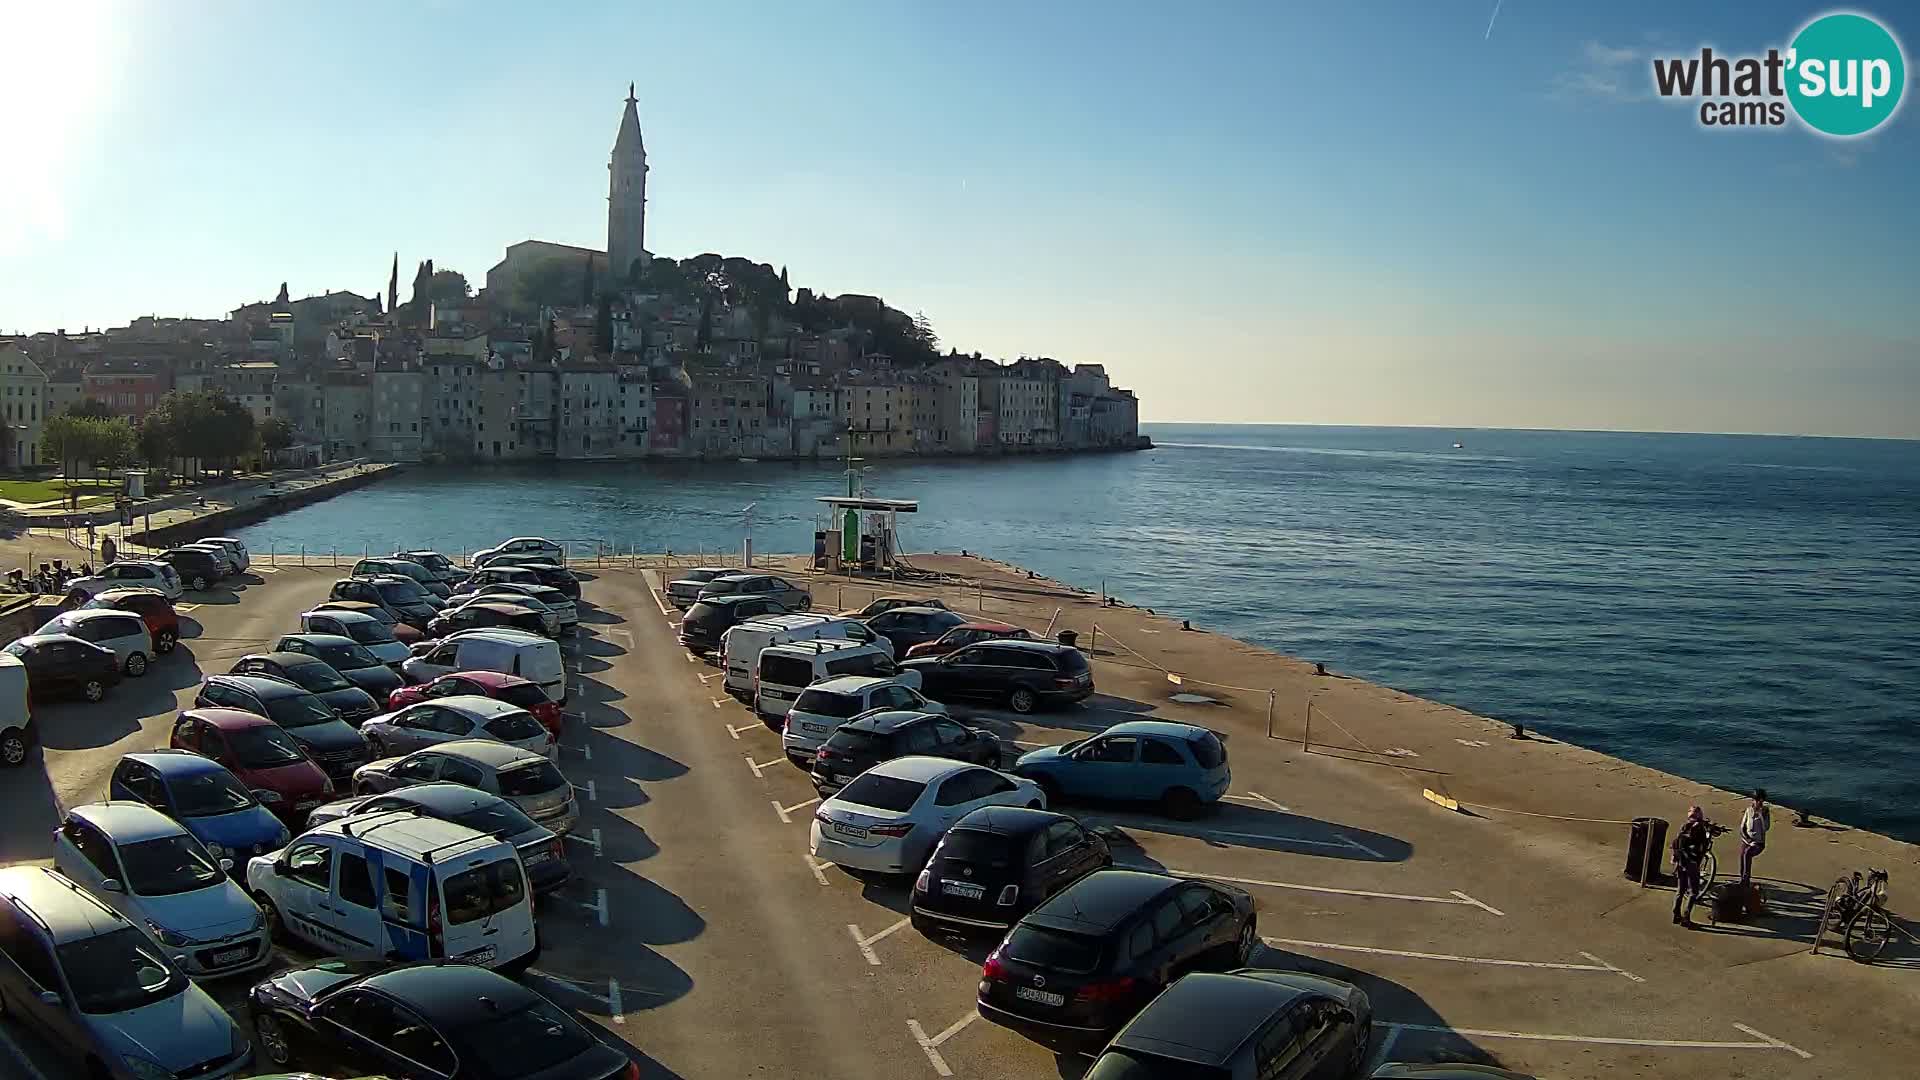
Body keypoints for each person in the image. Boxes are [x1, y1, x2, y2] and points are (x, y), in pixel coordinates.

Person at [1672, 805, 1713, 927]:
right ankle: (1686, 917)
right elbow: (1703, 845)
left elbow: (1675, 843)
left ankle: (1676, 914)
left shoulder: (1684, 827)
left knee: (1680, 890)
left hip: (1680, 862)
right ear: (1700, 816)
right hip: (1691, 863)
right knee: (1693, 891)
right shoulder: (1699, 828)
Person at [1740, 788, 1770, 885]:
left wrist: (1761, 816)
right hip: (1747, 840)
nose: (1758, 803)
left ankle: (1745, 880)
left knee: (1748, 853)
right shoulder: (1748, 810)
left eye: (1760, 801)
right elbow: (1742, 828)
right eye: (1756, 801)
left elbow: (1766, 828)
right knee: (1743, 855)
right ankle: (1743, 879)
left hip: (1758, 842)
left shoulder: (1765, 811)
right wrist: (1748, 840)